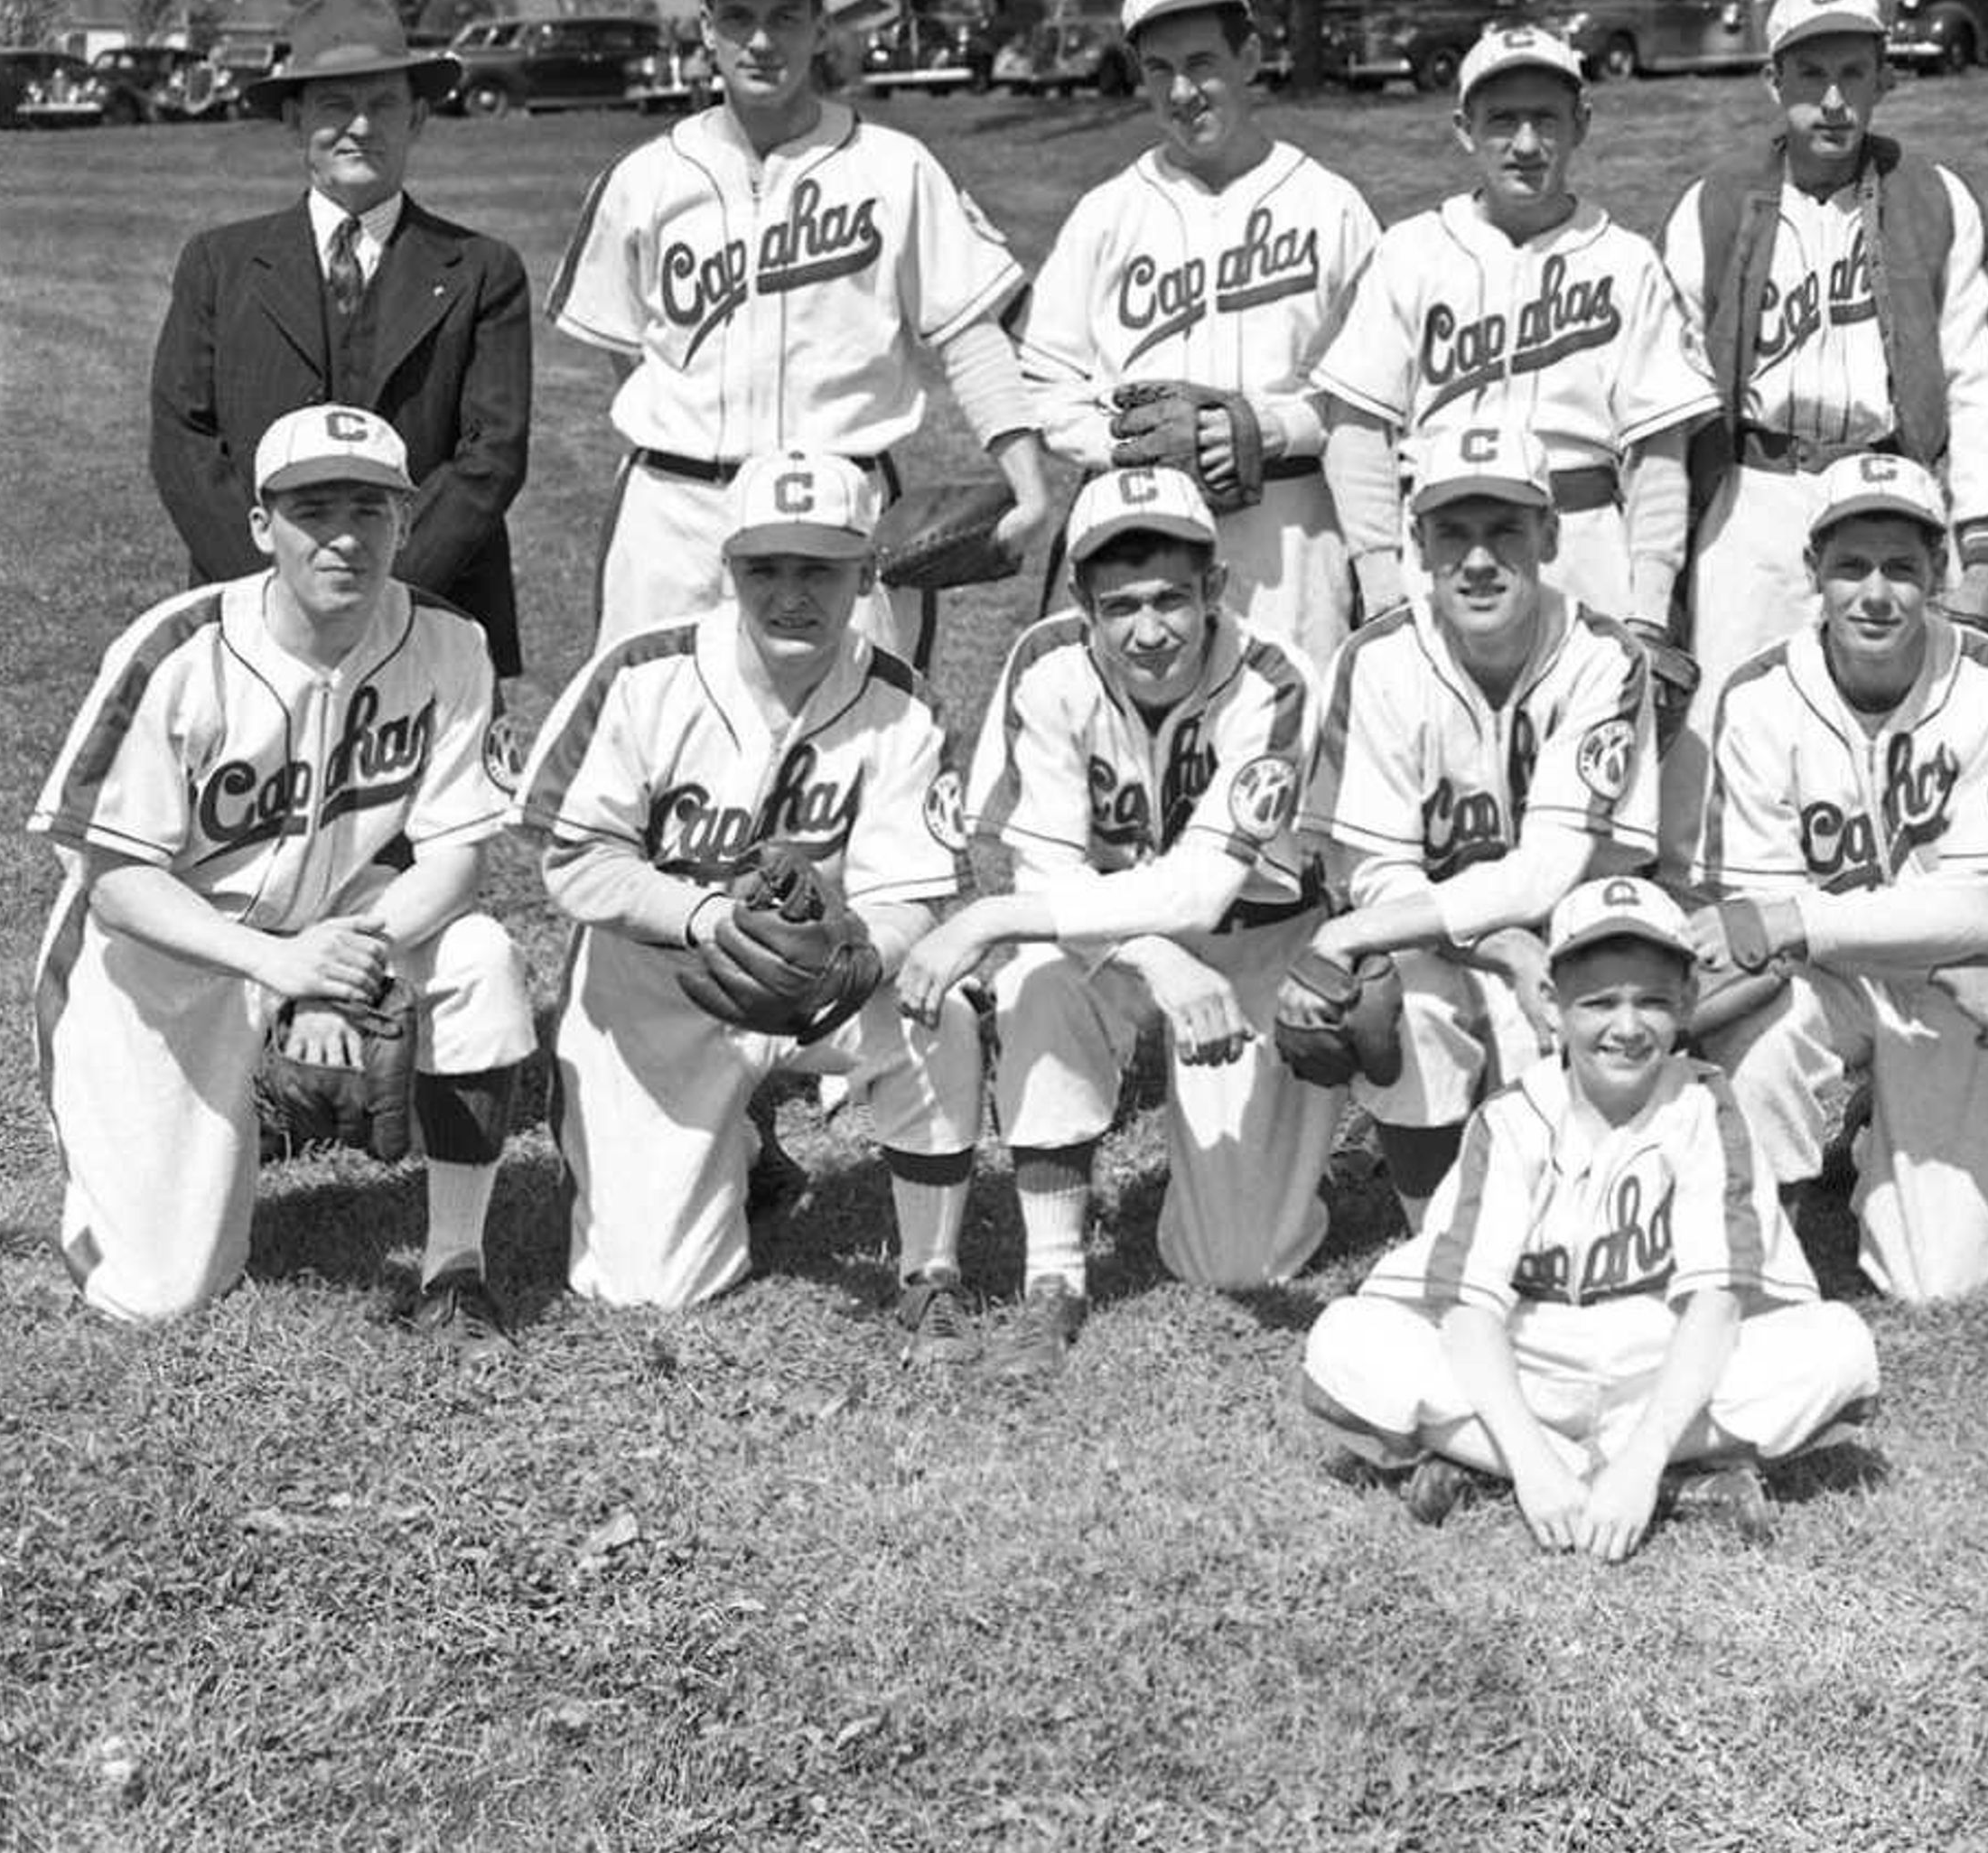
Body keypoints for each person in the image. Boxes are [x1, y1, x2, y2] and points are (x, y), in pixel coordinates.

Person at [30, 407, 530, 1336]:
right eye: (314, 510)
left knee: (479, 957)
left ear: (407, 521)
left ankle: (455, 1267)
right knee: (156, 1295)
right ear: (264, 526)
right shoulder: (178, 653)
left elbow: (460, 856)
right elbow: (112, 880)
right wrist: (275, 966)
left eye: (370, 511)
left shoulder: (450, 643)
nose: (344, 537)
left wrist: (344, 969)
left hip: (339, 914)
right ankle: (249, 1107)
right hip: (168, 956)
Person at [518, 451, 987, 1344]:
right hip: (653, 985)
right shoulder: (645, 675)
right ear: (727, 569)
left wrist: (865, 963)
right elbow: (573, 860)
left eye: (818, 568)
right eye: (764, 568)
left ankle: (931, 1269)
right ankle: (734, 1146)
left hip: (819, 991)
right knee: (645, 1290)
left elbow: (911, 896)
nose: (790, 594)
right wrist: (706, 919)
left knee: (944, 1011)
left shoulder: (903, 708)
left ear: (867, 573)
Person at [1299, 876, 1881, 1555]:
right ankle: (1641, 1475)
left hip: (1663, 1360)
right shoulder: (1514, 1118)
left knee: (1839, 1349)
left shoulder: (1706, 1107)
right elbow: (1467, 1311)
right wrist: (1537, 1467)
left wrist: (1640, 1455)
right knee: (1344, 1342)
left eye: (1653, 1001)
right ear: (1551, 1001)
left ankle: (1504, 1460)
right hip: (1530, 1356)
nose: (1627, 1027)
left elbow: (1717, 1305)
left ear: (1689, 999)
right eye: (1599, 1001)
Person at [889, 467, 1328, 1361]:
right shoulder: (1050, 664)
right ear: (1084, 602)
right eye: (1121, 605)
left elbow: (1207, 882)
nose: (1151, 630)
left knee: (1239, 1264)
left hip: (1255, 942)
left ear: (1215, 587)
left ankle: (1318, 1140)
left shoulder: (1276, 679)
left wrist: (989, 917)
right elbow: (1045, 861)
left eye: (1172, 598)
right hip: (1121, 947)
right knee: (1040, 977)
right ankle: (1055, 1270)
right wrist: (1153, 957)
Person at [546, 0, 1056, 655]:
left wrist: (1029, 483)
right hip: (676, 511)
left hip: (841, 502)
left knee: (858, 748)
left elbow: (970, 330)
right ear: (706, 30)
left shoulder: (895, 168)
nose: (762, 40)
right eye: (739, 17)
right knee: (650, 735)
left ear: (821, 28)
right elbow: (623, 351)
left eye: (786, 16)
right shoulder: (642, 178)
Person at [1657, 0, 1988, 856]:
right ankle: (1716, 910)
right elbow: (1666, 396)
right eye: (1809, 74)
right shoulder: (1713, 204)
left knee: (1894, 717)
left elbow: (1978, 385)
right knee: (1726, 716)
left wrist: (1982, 550)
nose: (1831, 100)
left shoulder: (1935, 199)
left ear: (1884, 79)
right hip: (1756, 484)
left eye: (1853, 74)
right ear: (1772, 82)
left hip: (1885, 484)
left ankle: (1891, 919)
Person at [1695, 455, 1988, 1303]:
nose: (1875, 592)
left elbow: (1984, 905)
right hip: (1906, 977)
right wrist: (1936, 961)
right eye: (1850, 566)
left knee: (1939, 1285)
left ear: (1938, 573)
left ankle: (1881, 1133)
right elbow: (1759, 931)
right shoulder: (1757, 695)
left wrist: (1803, 923)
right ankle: (1763, 1255)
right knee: (1757, 1034)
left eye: (1902, 568)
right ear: (1812, 573)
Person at [1289, 424, 1660, 1225]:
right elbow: (1380, 873)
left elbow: (1551, 871)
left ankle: (1582, 1213)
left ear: (1551, 536)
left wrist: (1351, 935)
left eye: (1506, 532)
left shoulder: (1606, 656)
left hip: (1579, 928)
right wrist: (1497, 945)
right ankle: (1432, 1237)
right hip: (1448, 938)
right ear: (1417, 545)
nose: (1480, 560)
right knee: (1408, 1004)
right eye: (1453, 534)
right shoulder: (1378, 658)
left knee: (1559, 1026)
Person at [149, 0, 533, 677]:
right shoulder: (219, 265)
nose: (360, 126)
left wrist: (381, 598)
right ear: (295, 120)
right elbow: (184, 443)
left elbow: (492, 456)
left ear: (417, 116)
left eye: (383, 104)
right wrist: (276, 595)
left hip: (430, 618)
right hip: (251, 626)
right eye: (334, 106)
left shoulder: (481, 270)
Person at [1016, 0, 1380, 676]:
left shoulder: (1329, 205)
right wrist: (1126, 442)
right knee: (1136, 758)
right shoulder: (1106, 214)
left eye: (1203, 62)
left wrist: (1278, 427)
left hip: (1291, 527)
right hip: (1137, 532)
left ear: (1249, 57)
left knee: (1296, 735)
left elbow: (1379, 387)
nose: (1183, 92)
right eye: (1159, 69)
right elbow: (1045, 381)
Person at [1310, 24, 1716, 640]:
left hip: (1582, 542)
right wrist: (1382, 588)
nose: (1526, 143)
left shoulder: (1626, 261)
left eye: (1546, 119)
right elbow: (1358, 430)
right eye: (1502, 119)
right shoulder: (1409, 253)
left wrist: (1651, 605)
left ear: (1581, 123)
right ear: (1462, 128)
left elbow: (1659, 451)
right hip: (1445, 546)